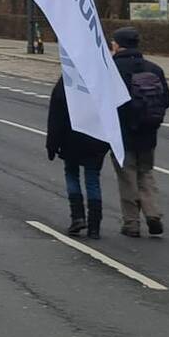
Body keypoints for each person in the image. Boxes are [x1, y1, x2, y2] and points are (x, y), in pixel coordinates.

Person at [110, 28, 169, 238]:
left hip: (122, 134)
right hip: (148, 134)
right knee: (146, 173)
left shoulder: (112, 69)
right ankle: (153, 213)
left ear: (117, 45)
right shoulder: (154, 69)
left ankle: (132, 223)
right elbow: (166, 101)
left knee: (127, 177)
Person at [47, 77, 109, 239]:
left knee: (72, 174)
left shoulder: (66, 81)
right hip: (96, 138)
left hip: (71, 138)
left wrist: (52, 144)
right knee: (92, 178)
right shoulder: (100, 79)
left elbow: (56, 115)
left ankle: (78, 217)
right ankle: (95, 225)